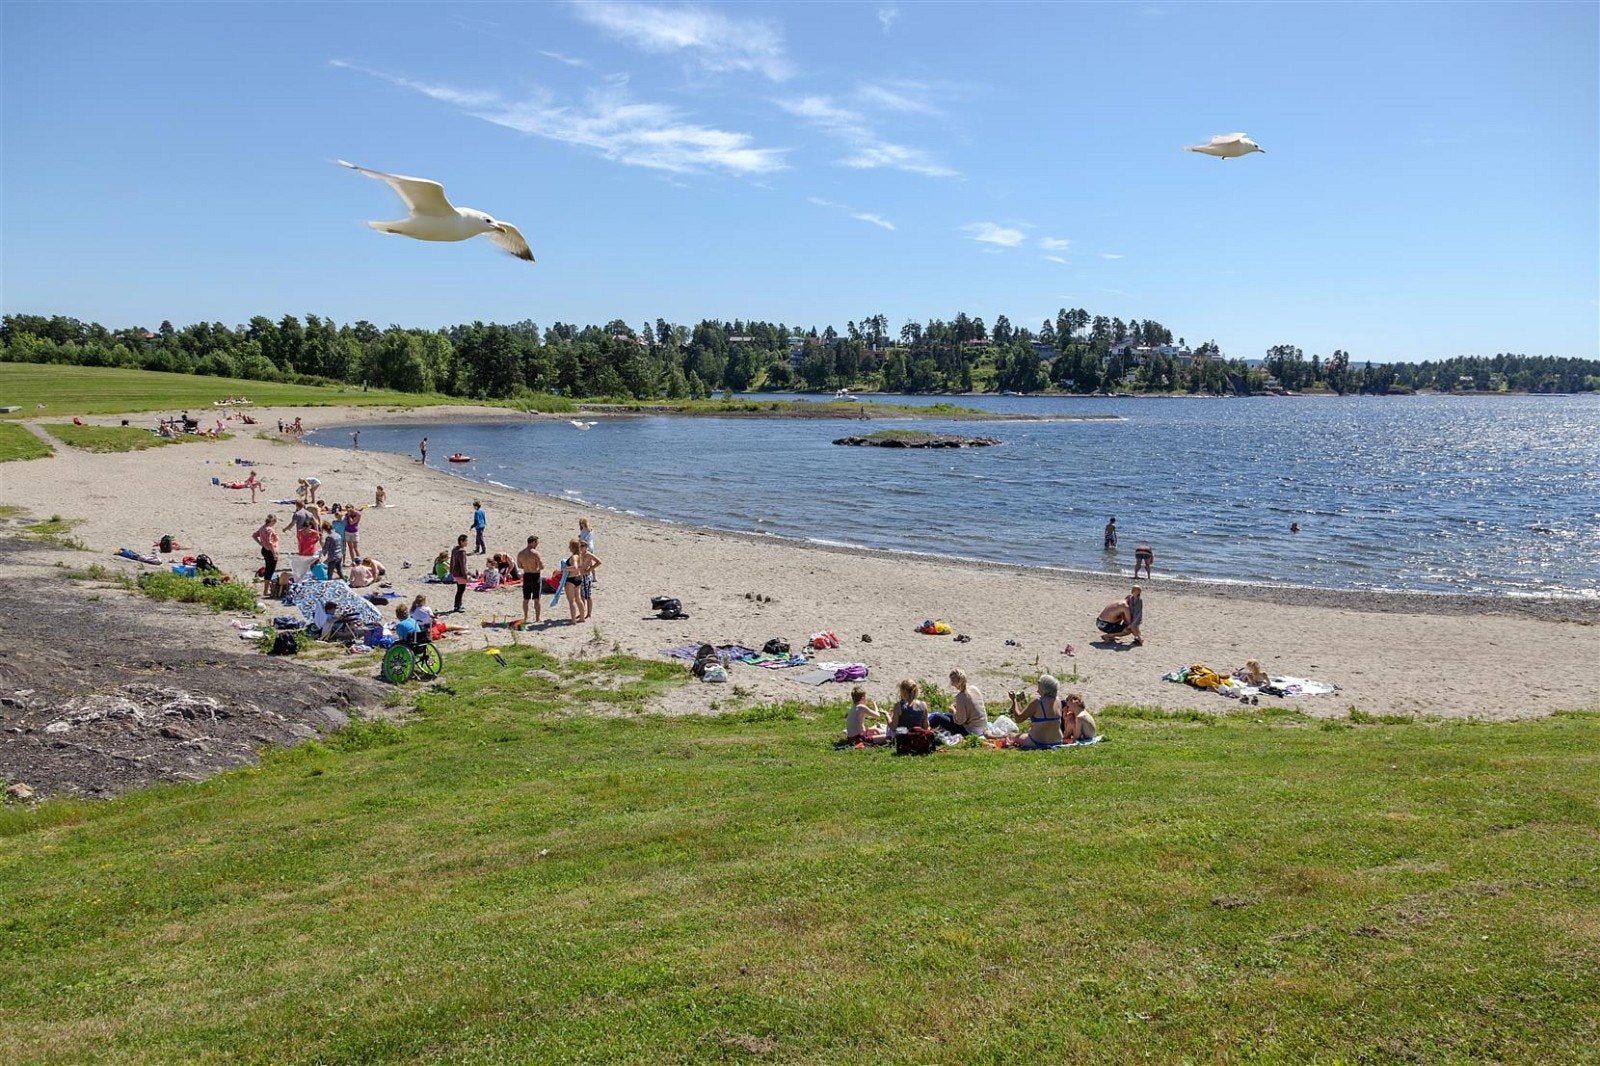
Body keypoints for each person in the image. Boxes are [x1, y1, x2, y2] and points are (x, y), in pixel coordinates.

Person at [1010, 674, 1067, 749]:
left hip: (1038, 742)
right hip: (1057, 741)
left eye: (1039, 684)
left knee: (1011, 736)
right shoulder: (1058, 701)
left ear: (1044, 687)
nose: (1037, 687)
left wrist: (1014, 701)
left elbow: (1018, 719)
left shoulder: (1037, 702)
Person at [930, 669, 988, 736]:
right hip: (983, 727)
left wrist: (953, 710)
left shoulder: (961, 696)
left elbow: (960, 721)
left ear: (956, 683)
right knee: (945, 715)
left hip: (970, 731)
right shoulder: (974, 689)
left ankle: (923, 727)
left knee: (937, 716)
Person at [517, 535, 544, 625]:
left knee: (526, 598)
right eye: (536, 543)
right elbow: (541, 566)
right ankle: (537, 618)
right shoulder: (535, 553)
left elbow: (519, 566)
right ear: (533, 542)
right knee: (537, 599)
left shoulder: (521, 553)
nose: (537, 545)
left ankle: (525, 617)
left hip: (526, 575)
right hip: (535, 576)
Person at [251, 514, 279, 596]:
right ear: (272, 521)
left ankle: (267, 589)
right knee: (270, 570)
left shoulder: (262, 528)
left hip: (264, 550)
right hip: (270, 551)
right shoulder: (269, 530)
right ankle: (266, 590)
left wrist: (261, 543)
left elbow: (254, 535)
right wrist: (274, 553)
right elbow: (270, 542)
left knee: (268, 569)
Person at [449, 534, 470, 613]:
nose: (467, 542)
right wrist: (465, 575)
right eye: (466, 541)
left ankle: (459, 605)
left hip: (455, 572)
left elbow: (452, 561)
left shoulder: (455, 549)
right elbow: (462, 564)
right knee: (461, 590)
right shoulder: (462, 551)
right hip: (460, 573)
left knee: (459, 589)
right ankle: (457, 606)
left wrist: (451, 571)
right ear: (462, 541)